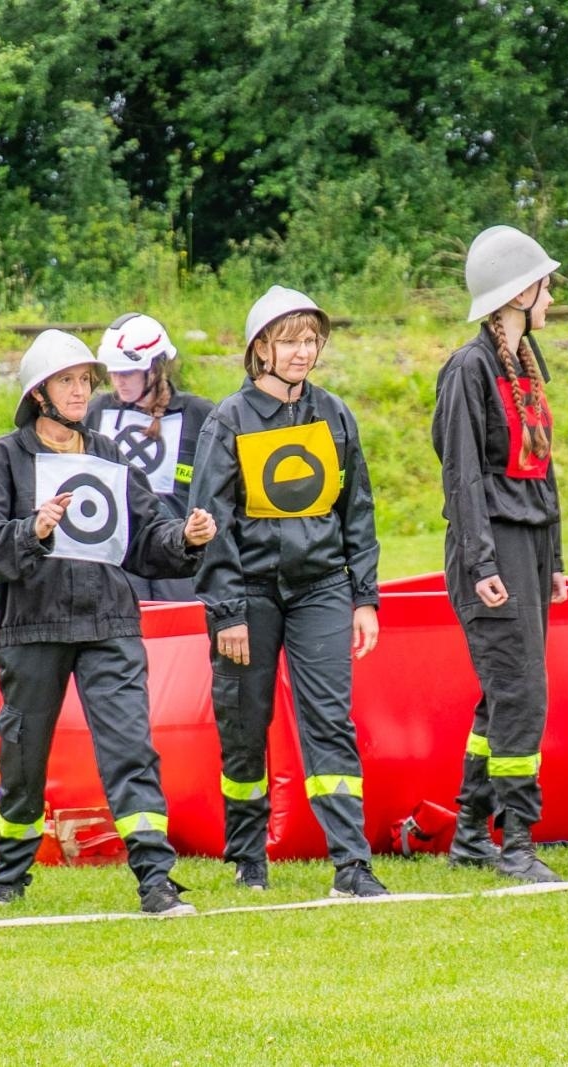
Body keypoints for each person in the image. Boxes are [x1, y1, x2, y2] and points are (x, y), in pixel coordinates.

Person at [0, 329, 217, 914]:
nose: (80, 391)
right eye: (67, 381)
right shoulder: (2, 458)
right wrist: (31, 530)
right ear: (38, 394)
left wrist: (185, 537)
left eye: (84, 381)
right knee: (23, 756)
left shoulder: (108, 454)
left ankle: (155, 879)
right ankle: (10, 877)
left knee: (131, 749)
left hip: (109, 624)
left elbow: (145, 538)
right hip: (32, 627)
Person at [189, 286, 386, 898]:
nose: (303, 352)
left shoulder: (335, 414)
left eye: (311, 340)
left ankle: (352, 866)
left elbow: (357, 510)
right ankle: (248, 857)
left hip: (321, 587)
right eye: (290, 341)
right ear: (261, 350)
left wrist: (364, 598)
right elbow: (210, 521)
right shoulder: (228, 420)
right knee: (244, 723)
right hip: (248, 594)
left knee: (330, 720)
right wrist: (227, 611)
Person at [432, 225, 566, 883]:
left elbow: (542, 466)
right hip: (491, 547)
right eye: (545, 285)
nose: (553, 297)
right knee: (523, 694)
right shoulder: (470, 367)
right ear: (517, 293)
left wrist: (555, 556)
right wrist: (482, 563)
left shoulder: (528, 362)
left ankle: (468, 833)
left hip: (531, 544)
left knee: (504, 693)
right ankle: (516, 843)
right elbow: (461, 474)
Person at [86, 313, 216, 601]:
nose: (118, 381)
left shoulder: (199, 414)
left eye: (128, 372)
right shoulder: (94, 413)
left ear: (156, 367)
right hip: (116, 561)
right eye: (114, 373)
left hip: (178, 562)